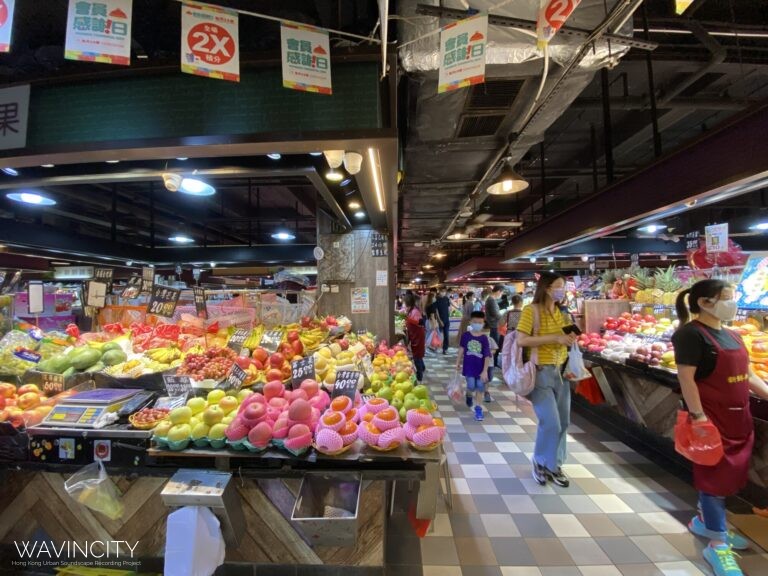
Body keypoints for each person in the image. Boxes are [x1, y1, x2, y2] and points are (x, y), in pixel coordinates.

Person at [672, 279, 768, 576]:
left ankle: (708, 523)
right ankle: (717, 545)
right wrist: (698, 416)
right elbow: (686, 379)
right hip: (711, 422)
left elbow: (749, 374)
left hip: (739, 420)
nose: (733, 302)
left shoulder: (734, 336)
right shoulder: (690, 335)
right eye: (727, 297)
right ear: (704, 302)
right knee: (713, 481)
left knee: (728, 479)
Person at [516, 272, 577, 488]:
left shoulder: (562, 313)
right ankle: (540, 462)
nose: (562, 290)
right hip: (540, 372)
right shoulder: (530, 311)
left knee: (564, 421)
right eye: (559, 286)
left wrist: (569, 339)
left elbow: (563, 340)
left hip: (561, 372)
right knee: (550, 422)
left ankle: (555, 464)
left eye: (564, 286)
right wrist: (555, 338)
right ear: (547, 288)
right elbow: (521, 340)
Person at [456, 311, 492, 421]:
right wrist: (457, 362)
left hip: (481, 368)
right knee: (471, 386)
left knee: (480, 387)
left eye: (480, 322)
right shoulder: (465, 336)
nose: (477, 324)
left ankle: (478, 409)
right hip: (469, 367)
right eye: (475, 322)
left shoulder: (484, 338)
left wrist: (485, 370)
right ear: (470, 322)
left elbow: (487, 355)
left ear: (483, 323)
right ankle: (469, 395)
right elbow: (461, 349)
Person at [403, 292, 426, 382]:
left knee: (417, 356)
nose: (405, 305)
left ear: (409, 303)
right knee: (418, 355)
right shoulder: (411, 311)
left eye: (406, 304)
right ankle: (423, 367)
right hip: (414, 336)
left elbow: (420, 323)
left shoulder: (415, 312)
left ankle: (419, 376)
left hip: (418, 337)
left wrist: (408, 319)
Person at [485, 285, 507, 368]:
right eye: (502, 292)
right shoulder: (491, 300)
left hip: (494, 324)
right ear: (498, 291)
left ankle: (494, 362)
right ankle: (493, 362)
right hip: (494, 324)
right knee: (495, 344)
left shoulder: (491, 299)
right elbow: (495, 313)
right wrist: (504, 317)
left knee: (495, 343)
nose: (501, 294)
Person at [435, 287, 451, 354]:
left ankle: (445, 349)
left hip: (446, 319)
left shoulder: (446, 299)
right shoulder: (436, 299)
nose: (443, 293)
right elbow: (436, 311)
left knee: (446, 335)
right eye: (442, 291)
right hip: (439, 320)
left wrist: (448, 315)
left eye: (444, 291)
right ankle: (435, 348)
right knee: (437, 335)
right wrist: (439, 320)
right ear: (439, 291)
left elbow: (448, 308)